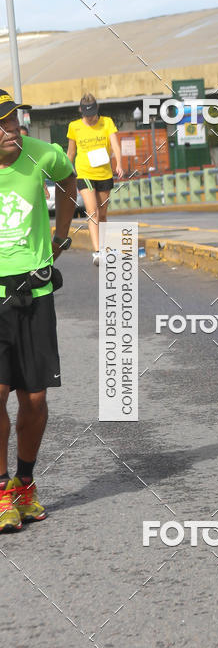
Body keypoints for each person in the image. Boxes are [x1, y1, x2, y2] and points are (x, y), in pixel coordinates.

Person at [0, 90, 76, 532]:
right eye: (4, 124)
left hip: (36, 291)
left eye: (14, 120)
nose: (13, 130)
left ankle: (23, 484)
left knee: (35, 399)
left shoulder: (40, 154)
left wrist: (61, 236)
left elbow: (69, 180)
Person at [67, 93, 124, 265]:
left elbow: (115, 144)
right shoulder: (74, 126)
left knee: (103, 214)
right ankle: (97, 252)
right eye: (86, 114)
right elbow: (71, 152)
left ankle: (104, 247)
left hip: (104, 174)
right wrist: (66, 172)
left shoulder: (107, 122)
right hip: (84, 173)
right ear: (80, 110)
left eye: (92, 113)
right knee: (92, 211)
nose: (90, 118)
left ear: (97, 109)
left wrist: (119, 164)